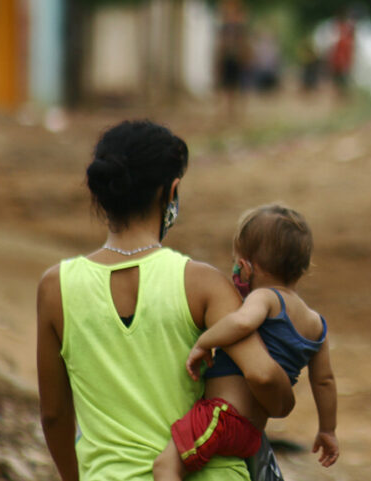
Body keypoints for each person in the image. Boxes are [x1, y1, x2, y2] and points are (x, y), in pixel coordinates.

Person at [37, 120, 294, 481]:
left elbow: (53, 415)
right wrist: (284, 400)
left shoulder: (55, 288)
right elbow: (263, 375)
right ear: (170, 192)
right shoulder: (202, 283)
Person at [153, 204, 339, 480]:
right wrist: (327, 430)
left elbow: (241, 323)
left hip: (221, 417)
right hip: (252, 433)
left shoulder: (265, 298)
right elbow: (324, 381)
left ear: (246, 266)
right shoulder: (315, 323)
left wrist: (204, 342)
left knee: (165, 466)